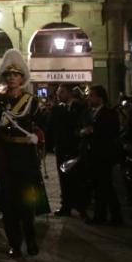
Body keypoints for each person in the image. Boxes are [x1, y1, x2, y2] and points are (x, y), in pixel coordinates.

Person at [0, 50, 43, 258]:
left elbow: (41, 126)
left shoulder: (32, 101)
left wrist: (38, 136)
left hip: (26, 156)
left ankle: (31, 241)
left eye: (16, 75)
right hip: (6, 156)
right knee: (8, 203)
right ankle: (15, 244)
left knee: (26, 203)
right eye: (9, 75)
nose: (12, 78)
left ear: (22, 78)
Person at [81, 86, 123, 225]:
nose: (89, 98)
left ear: (100, 98)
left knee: (105, 186)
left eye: (92, 95)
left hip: (103, 155)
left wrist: (92, 131)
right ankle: (101, 215)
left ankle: (114, 216)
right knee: (99, 187)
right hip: (92, 155)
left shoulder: (108, 113)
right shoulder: (90, 112)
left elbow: (110, 132)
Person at [49, 84, 87, 217]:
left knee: (76, 178)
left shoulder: (79, 107)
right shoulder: (57, 109)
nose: (59, 95)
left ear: (70, 93)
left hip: (74, 149)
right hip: (61, 148)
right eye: (58, 92)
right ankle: (66, 205)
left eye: (62, 92)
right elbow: (53, 127)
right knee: (63, 178)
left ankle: (81, 206)